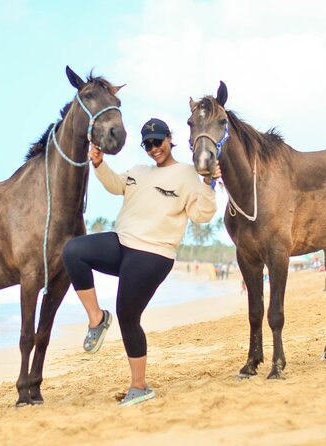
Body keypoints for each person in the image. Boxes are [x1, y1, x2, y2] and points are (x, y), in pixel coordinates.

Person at [62, 118, 219, 407]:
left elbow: (201, 214)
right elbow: (114, 185)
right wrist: (98, 164)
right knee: (73, 251)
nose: (153, 148)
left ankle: (139, 386)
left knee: (128, 315)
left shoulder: (186, 174)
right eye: (147, 144)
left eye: (158, 141)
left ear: (170, 139)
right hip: (122, 242)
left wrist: (209, 184)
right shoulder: (138, 171)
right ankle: (97, 318)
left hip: (154, 253)